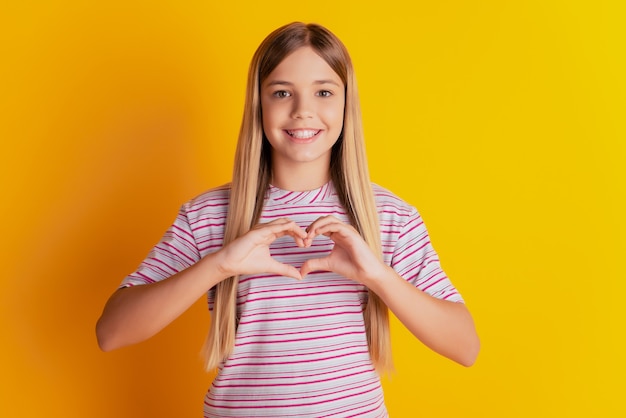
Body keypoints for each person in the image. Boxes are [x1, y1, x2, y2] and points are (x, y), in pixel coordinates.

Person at [96, 22, 479, 417]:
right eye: (282, 93)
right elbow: (112, 333)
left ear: (347, 104)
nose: (303, 111)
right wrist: (221, 264)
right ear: (258, 103)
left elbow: (465, 346)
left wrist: (376, 275)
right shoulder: (208, 215)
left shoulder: (389, 216)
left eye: (324, 92)